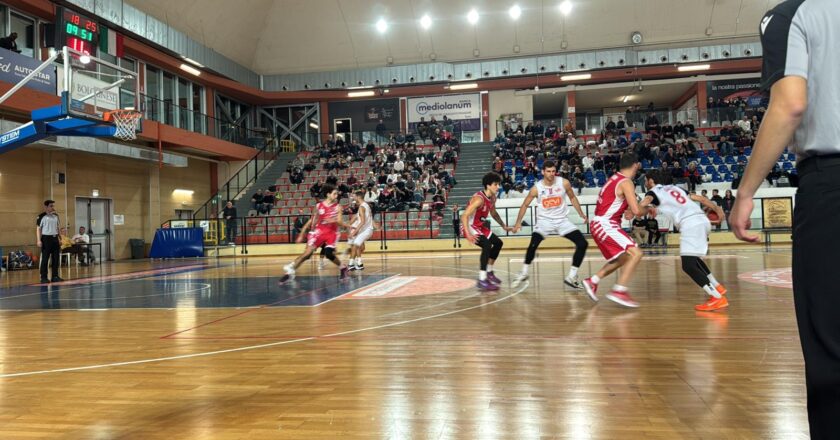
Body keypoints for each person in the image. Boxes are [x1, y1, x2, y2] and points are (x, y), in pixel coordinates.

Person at [730, 2, 840, 435]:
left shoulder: (790, 15)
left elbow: (790, 104)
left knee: (831, 349)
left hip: (831, 184)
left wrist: (745, 192)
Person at [639, 170, 728, 311]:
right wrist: (718, 209)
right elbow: (701, 199)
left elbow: (645, 202)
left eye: (645, 180)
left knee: (688, 265)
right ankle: (717, 286)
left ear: (650, 181)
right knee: (694, 259)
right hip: (702, 220)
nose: (644, 183)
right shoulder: (675, 189)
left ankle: (717, 298)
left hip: (690, 223)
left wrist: (636, 207)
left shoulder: (653, 192)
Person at [510, 160, 590, 291]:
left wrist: (581, 213)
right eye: (548, 171)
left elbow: (573, 198)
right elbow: (525, 205)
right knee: (533, 244)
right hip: (544, 221)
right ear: (543, 172)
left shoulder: (564, 183)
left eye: (553, 171)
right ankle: (523, 272)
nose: (551, 174)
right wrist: (518, 222)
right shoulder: (537, 188)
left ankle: (572, 276)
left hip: (562, 220)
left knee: (582, 244)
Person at [582, 152, 644, 307]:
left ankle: (593, 281)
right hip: (605, 224)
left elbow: (626, 207)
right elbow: (637, 211)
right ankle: (619, 290)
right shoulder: (626, 182)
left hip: (601, 223)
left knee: (624, 258)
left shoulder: (614, 179)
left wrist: (629, 209)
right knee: (636, 253)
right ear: (635, 165)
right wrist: (648, 209)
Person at [279, 184, 348, 283]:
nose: (336, 196)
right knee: (307, 254)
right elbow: (313, 220)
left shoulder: (338, 207)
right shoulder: (318, 206)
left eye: (337, 194)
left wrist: (333, 220)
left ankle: (342, 267)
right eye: (334, 194)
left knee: (328, 253)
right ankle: (289, 273)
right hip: (319, 232)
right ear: (328, 194)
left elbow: (340, 222)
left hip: (332, 233)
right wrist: (303, 233)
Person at [460, 172, 513, 291]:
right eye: (495, 184)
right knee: (487, 245)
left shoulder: (493, 197)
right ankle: (482, 279)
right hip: (469, 226)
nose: (498, 187)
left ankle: (489, 272)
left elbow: (493, 213)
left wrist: (503, 225)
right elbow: (464, 216)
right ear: (488, 186)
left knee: (498, 243)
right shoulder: (479, 199)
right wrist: (468, 233)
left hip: (479, 226)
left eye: (498, 184)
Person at [347, 191, 376, 271]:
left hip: (366, 230)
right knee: (357, 246)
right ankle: (358, 264)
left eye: (354, 196)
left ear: (358, 197)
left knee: (355, 246)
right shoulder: (366, 205)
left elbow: (362, 222)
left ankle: (351, 264)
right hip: (367, 230)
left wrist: (353, 232)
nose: (354, 198)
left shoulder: (361, 207)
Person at [36, 199, 62, 283]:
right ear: (46, 207)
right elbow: (38, 229)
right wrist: (39, 240)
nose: (52, 207)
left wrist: (59, 238)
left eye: (53, 206)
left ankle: (55, 276)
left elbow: (57, 228)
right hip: (46, 239)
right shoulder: (41, 216)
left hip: (55, 239)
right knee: (45, 258)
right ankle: (43, 277)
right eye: (51, 206)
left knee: (56, 258)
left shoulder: (56, 216)